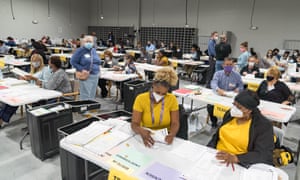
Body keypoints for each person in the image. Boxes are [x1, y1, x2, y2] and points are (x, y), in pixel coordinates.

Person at [207, 90, 274, 168]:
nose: (234, 109)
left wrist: (237, 158)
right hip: (217, 156)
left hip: (240, 163)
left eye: (239, 107)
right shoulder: (230, 115)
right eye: (234, 105)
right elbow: (217, 136)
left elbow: (263, 154)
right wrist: (208, 150)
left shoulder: (262, 125)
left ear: (249, 110)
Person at [131, 67, 179, 147]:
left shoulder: (172, 99)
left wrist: (172, 134)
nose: (160, 96)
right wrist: (141, 131)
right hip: (145, 134)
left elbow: (175, 122)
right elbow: (134, 124)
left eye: (164, 94)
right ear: (153, 85)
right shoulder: (141, 99)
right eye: (157, 92)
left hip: (164, 137)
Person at [208, 58, 244, 128]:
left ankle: (227, 123)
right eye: (227, 65)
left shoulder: (237, 75)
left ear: (233, 65)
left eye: (231, 65)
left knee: (236, 108)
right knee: (209, 106)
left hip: (231, 98)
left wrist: (238, 89)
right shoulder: (218, 74)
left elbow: (241, 86)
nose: (229, 66)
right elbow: (213, 83)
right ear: (223, 65)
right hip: (219, 95)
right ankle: (214, 122)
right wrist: (218, 89)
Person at [71, 35, 101, 100]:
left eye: (90, 41)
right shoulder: (80, 51)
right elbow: (73, 62)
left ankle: (90, 108)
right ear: (83, 42)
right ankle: (84, 109)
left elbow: (97, 61)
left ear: (93, 43)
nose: (89, 43)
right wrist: (82, 69)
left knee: (92, 95)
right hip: (86, 75)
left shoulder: (93, 50)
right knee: (85, 95)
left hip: (95, 76)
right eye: (87, 41)